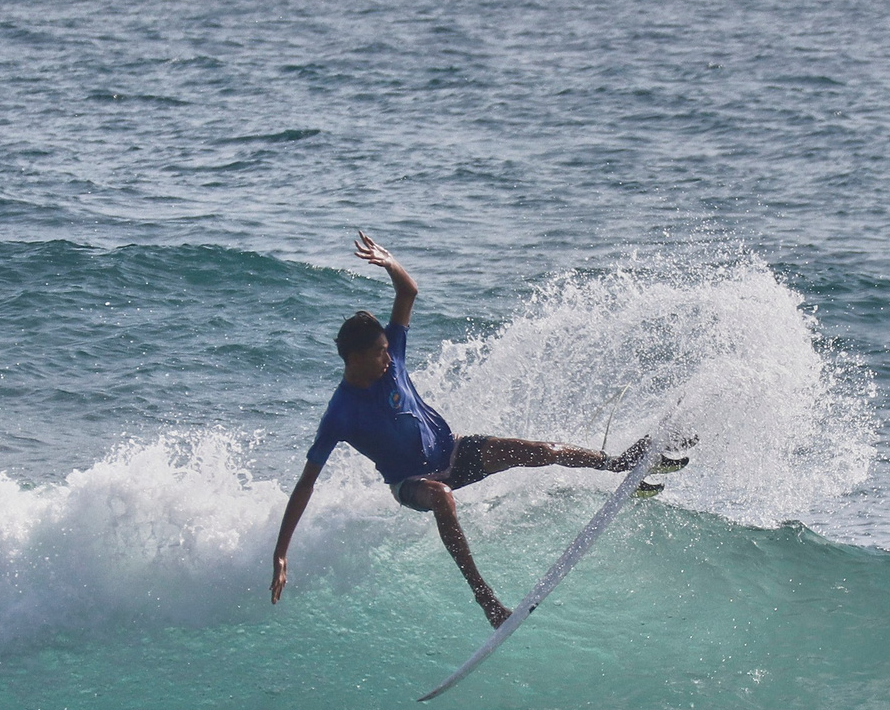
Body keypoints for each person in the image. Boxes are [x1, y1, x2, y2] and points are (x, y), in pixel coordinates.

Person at [269, 233, 681, 627]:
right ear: (356, 357)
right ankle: (486, 600)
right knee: (443, 498)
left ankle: (621, 466)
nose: (389, 359)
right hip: (412, 483)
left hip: (453, 451)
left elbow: (408, 292)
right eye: (379, 354)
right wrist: (282, 553)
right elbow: (306, 484)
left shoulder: (389, 354)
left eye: (387, 350)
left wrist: (390, 262)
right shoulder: (339, 414)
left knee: (544, 451)